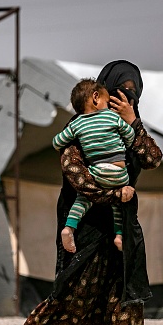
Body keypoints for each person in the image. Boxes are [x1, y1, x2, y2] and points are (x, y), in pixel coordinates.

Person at [9, 60, 163, 325]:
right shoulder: (82, 125)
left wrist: (133, 122)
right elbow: (77, 176)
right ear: (102, 92)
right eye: (120, 91)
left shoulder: (128, 128)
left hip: (123, 224)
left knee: (126, 294)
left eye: (133, 94)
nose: (126, 98)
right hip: (86, 224)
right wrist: (113, 196)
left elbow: (152, 158)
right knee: (73, 291)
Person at [52, 78, 135, 253]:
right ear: (96, 97)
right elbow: (130, 134)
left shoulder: (77, 123)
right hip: (120, 173)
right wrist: (123, 144)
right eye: (106, 102)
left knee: (83, 199)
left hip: (97, 172)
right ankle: (119, 235)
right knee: (118, 203)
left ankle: (69, 228)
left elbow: (57, 142)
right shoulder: (112, 116)